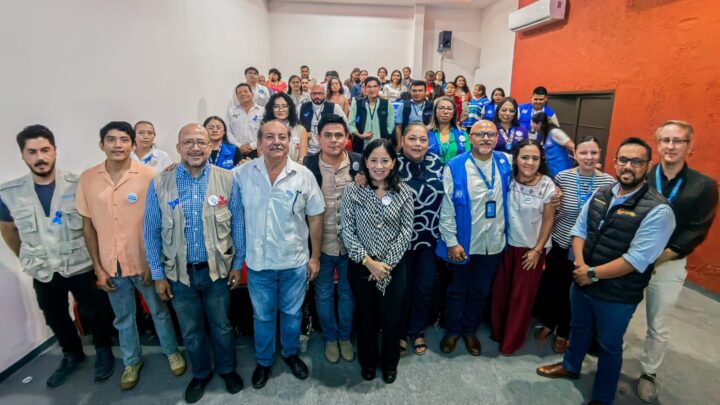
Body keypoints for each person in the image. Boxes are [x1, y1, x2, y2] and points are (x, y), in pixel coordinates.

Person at [537, 137, 676, 405]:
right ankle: (571, 365)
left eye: (636, 161)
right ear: (614, 162)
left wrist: (591, 274)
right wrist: (579, 265)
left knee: (609, 346)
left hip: (617, 292)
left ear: (648, 166)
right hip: (583, 278)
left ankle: (602, 396)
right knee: (578, 328)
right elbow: (579, 229)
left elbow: (637, 259)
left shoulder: (659, 210)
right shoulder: (604, 193)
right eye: (623, 159)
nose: (628, 166)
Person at [0, 125, 116, 388]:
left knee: (95, 311)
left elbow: (93, 226)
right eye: (32, 152)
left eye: (45, 150)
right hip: (43, 268)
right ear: (23, 155)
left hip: (80, 264)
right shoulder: (9, 193)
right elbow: (7, 229)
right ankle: (71, 353)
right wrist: (25, 256)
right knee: (53, 315)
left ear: (54, 151)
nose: (40, 157)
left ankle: (104, 351)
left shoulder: (78, 185)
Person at [76, 121, 184, 390]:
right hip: (111, 264)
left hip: (144, 261)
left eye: (124, 140)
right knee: (123, 318)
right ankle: (131, 362)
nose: (117, 145)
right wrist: (98, 268)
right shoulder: (88, 178)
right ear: (102, 144)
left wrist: (153, 262)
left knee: (159, 312)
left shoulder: (148, 175)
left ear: (133, 145)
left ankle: (171, 351)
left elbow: (159, 222)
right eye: (111, 140)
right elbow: (87, 226)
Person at [144, 123, 245, 403]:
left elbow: (238, 224)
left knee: (222, 326)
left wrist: (238, 264)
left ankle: (227, 369)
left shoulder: (227, 179)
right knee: (191, 330)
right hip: (179, 274)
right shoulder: (160, 183)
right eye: (188, 143)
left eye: (201, 142)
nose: (195, 148)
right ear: (178, 148)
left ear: (211, 146)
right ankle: (200, 373)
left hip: (217, 271)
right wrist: (157, 275)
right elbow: (151, 232)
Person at [234, 120, 325, 389]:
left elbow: (316, 217)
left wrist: (315, 256)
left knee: (292, 313)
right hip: (259, 263)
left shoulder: (303, 175)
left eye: (282, 137)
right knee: (262, 316)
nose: (276, 141)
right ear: (260, 142)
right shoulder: (242, 174)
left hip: (294, 261)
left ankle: (291, 354)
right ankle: (263, 361)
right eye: (270, 137)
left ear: (290, 142)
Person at [637, 120, 718, 402]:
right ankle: (608, 356)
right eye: (665, 140)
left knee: (657, 324)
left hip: (667, 264)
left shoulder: (703, 185)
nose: (671, 146)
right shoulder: (641, 176)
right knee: (618, 313)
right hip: (632, 260)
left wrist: (659, 258)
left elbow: (697, 229)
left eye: (678, 141)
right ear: (657, 145)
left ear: (689, 147)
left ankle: (649, 372)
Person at [437, 120, 513, 356]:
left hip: (494, 243)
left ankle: (470, 331)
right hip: (465, 243)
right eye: (479, 134)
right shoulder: (455, 166)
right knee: (457, 290)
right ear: (470, 138)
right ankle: (452, 331)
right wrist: (451, 241)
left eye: (490, 134)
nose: (485, 138)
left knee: (481, 291)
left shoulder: (505, 161)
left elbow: (534, 173)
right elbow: (447, 208)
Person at [340, 138, 414, 383]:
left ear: (393, 163)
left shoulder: (403, 191)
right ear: (365, 162)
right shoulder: (353, 189)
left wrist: (386, 265)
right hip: (362, 267)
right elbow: (347, 230)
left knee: (392, 318)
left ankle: (390, 362)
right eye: (373, 160)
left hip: (393, 268)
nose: (379, 166)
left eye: (385, 160)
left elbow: (406, 232)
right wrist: (368, 261)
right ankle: (369, 362)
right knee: (366, 316)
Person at [534, 136, 615, 354]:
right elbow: (553, 210)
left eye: (593, 153)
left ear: (600, 154)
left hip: (588, 249)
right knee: (555, 287)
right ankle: (549, 323)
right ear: (575, 155)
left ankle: (564, 332)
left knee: (577, 291)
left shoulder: (608, 183)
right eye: (583, 153)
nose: (588, 157)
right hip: (560, 242)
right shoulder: (562, 178)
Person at [303, 114, 362, 364]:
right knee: (324, 293)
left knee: (348, 293)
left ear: (347, 138)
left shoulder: (360, 163)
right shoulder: (308, 165)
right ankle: (329, 337)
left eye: (339, 135)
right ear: (319, 138)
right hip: (321, 245)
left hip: (352, 246)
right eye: (328, 135)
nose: (333, 140)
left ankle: (345, 337)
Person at [490, 139, 555, 355]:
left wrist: (537, 250)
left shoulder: (547, 185)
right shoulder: (507, 178)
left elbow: (548, 220)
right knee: (501, 293)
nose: (529, 162)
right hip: (506, 245)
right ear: (515, 158)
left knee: (521, 298)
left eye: (535, 158)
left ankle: (511, 342)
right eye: (524, 157)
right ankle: (499, 332)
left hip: (530, 250)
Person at [397, 124, 444, 355]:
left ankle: (417, 330)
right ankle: (400, 329)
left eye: (422, 139)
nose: (417, 144)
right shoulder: (390, 164)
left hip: (429, 238)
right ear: (403, 140)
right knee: (402, 288)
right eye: (412, 139)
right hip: (399, 240)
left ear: (429, 142)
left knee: (425, 286)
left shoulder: (438, 164)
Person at [348, 77, 396, 152]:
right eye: (369, 87)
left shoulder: (387, 104)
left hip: (381, 146)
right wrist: (360, 135)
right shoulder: (357, 104)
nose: (372, 89)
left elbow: (391, 125)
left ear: (379, 88)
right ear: (365, 89)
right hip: (361, 145)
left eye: (375, 86)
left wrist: (385, 136)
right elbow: (350, 124)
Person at [298, 84, 348, 156]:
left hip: (328, 149)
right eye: (314, 94)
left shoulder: (334, 107)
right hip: (306, 149)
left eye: (320, 93)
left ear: (325, 94)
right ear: (310, 94)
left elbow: (345, 125)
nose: (317, 96)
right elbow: (294, 126)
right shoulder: (301, 107)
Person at [263, 92, 308, 163]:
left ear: (290, 108)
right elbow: (262, 157)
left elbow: (303, 158)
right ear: (271, 109)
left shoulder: (300, 130)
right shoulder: (264, 129)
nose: (280, 109)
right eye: (276, 106)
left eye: (284, 106)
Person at [531, 112, 575, 177]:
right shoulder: (545, 134)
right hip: (553, 170)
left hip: (563, 170)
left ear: (539, 124)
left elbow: (572, 146)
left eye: (533, 123)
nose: (532, 126)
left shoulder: (555, 132)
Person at [427, 97, 470, 165]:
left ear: (454, 113)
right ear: (435, 111)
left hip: (455, 173)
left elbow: (467, 158)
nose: (445, 111)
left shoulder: (463, 134)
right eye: (441, 108)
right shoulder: (426, 133)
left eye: (449, 109)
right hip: (431, 173)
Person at [227, 83, 264, 158]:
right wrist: (239, 146)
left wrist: (252, 146)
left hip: (258, 150)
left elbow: (266, 132)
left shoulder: (262, 111)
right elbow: (227, 131)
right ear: (237, 96)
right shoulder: (231, 111)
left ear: (252, 94)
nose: (243, 94)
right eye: (239, 93)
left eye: (245, 91)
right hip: (237, 150)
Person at [394, 80, 434, 147]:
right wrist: (399, 143)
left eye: (420, 90)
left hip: (428, 141)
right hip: (408, 141)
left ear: (425, 92)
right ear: (410, 92)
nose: (417, 93)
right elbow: (398, 127)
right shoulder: (404, 106)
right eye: (414, 91)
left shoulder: (432, 106)